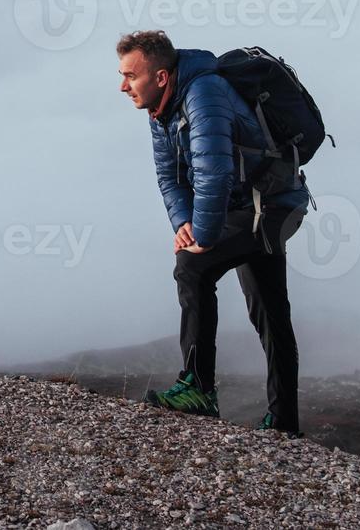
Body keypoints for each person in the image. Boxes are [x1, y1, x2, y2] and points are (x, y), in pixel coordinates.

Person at [116, 30, 311, 437]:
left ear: (162, 77)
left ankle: (199, 389)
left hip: (271, 205)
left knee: (193, 267)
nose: (123, 86)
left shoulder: (202, 95)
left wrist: (201, 236)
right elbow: (168, 175)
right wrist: (183, 223)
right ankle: (285, 424)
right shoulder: (161, 110)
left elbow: (213, 173)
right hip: (247, 205)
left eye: (131, 76)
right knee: (269, 307)